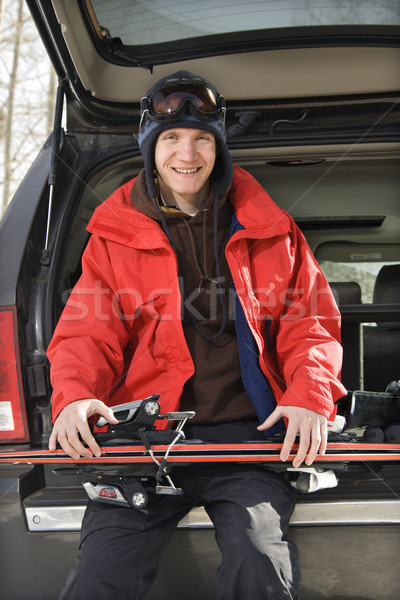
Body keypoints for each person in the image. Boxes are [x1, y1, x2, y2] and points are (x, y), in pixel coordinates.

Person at [47, 70, 346, 599]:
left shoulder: (273, 230)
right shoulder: (113, 237)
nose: (188, 154)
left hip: (248, 442)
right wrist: (74, 398)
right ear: (150, 147)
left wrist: (308, 398)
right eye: (171, 139)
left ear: (219, 147)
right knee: (98, 576)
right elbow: (83, 335)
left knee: (259, 562)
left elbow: (311, 326)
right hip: (144, 445)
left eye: (202, 138)